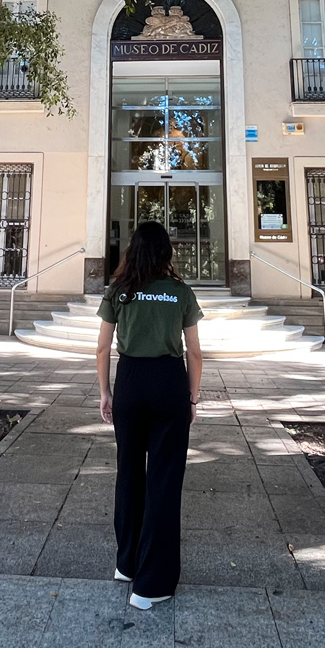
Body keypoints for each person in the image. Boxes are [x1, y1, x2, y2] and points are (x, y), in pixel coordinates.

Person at [96, 221, 204, 610]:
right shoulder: (180, 293)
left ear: (132, 251)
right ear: (166, 253)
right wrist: (192, 397)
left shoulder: (118, 292)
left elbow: (103, 348)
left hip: (130, 381)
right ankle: (151, 584)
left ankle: (126, 563)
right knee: (164, 478)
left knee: (129, 471)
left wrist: (106, 392)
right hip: (168, 382)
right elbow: (193, 351)